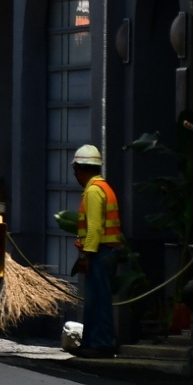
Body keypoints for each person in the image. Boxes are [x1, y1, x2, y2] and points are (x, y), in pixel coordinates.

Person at [69, 143, 122, 358]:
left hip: (100, 252)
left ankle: (101, 344)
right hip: (107, 251)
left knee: (98, 300)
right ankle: (93, 342)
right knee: (97, 299)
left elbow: (94, 228)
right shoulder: (105, 188)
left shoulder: (93, 191)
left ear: (79, 170)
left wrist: (86, 255)